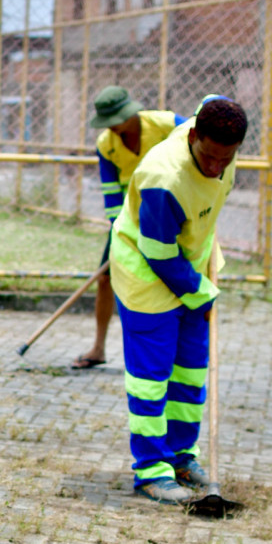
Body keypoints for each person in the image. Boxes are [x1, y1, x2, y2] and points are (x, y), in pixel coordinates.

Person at [110, 95, 248, 504]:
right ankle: (152, 470)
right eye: (208, 157)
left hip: (192, 266)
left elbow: (214, 100)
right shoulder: (162, 178)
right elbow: (158, 253)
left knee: (190, 373)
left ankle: (182, 457)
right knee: (151, 380)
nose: (216, 168)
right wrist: (202, 294)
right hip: (148, 277)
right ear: (192, 136)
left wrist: (202, 278)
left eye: (226, 159)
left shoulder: (216, 131)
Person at [73, 86, 186, 369]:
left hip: (171, 215)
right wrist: (120, 231)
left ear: (130, 112)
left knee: (170, 276)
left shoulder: (167, 124)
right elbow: (111, 193)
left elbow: (197, 140)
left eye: (115, 119)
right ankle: (98, 348)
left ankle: (177, 351)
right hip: (129, 221)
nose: (111, 127)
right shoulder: (106, 144)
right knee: (105, 279)